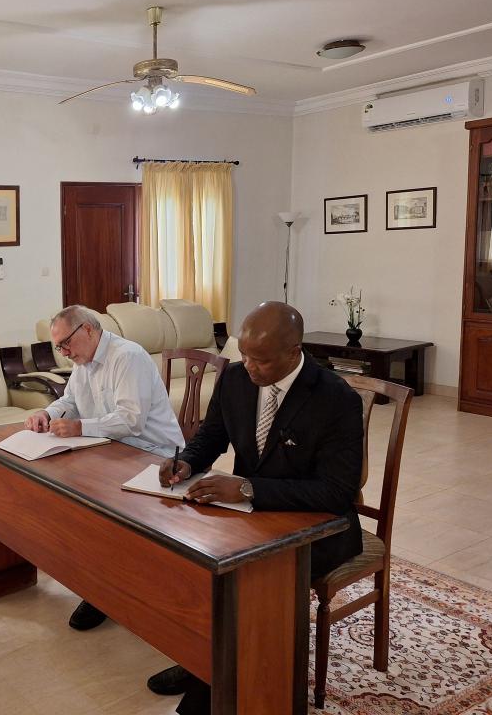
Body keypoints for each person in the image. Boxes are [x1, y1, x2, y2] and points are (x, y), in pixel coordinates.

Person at [151, 301, 363, 714]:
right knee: (187, 559)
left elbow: (337, 492)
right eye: (244, 354)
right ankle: (202, 659)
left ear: (293, 351)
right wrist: (187, 462)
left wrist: (248, 488)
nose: (248, 366)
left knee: (243, 583)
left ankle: (209, 693)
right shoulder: (234, 378)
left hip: (316, 528)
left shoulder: (335, 398)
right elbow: (211, 435)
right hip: (249, 518)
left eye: (261, 360)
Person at [24, 304, 184, 631]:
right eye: (58, 347)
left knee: (95, 507)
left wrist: (80, 427)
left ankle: (106, 591)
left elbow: (131, 420)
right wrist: (48, 413)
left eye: (66, 343)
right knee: (71, 496)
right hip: (112, 449)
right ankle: (98, 583)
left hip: (152, 455)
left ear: (87, 329)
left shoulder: (127, 357)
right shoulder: (83, 361)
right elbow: (70, 401)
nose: (64, 353)